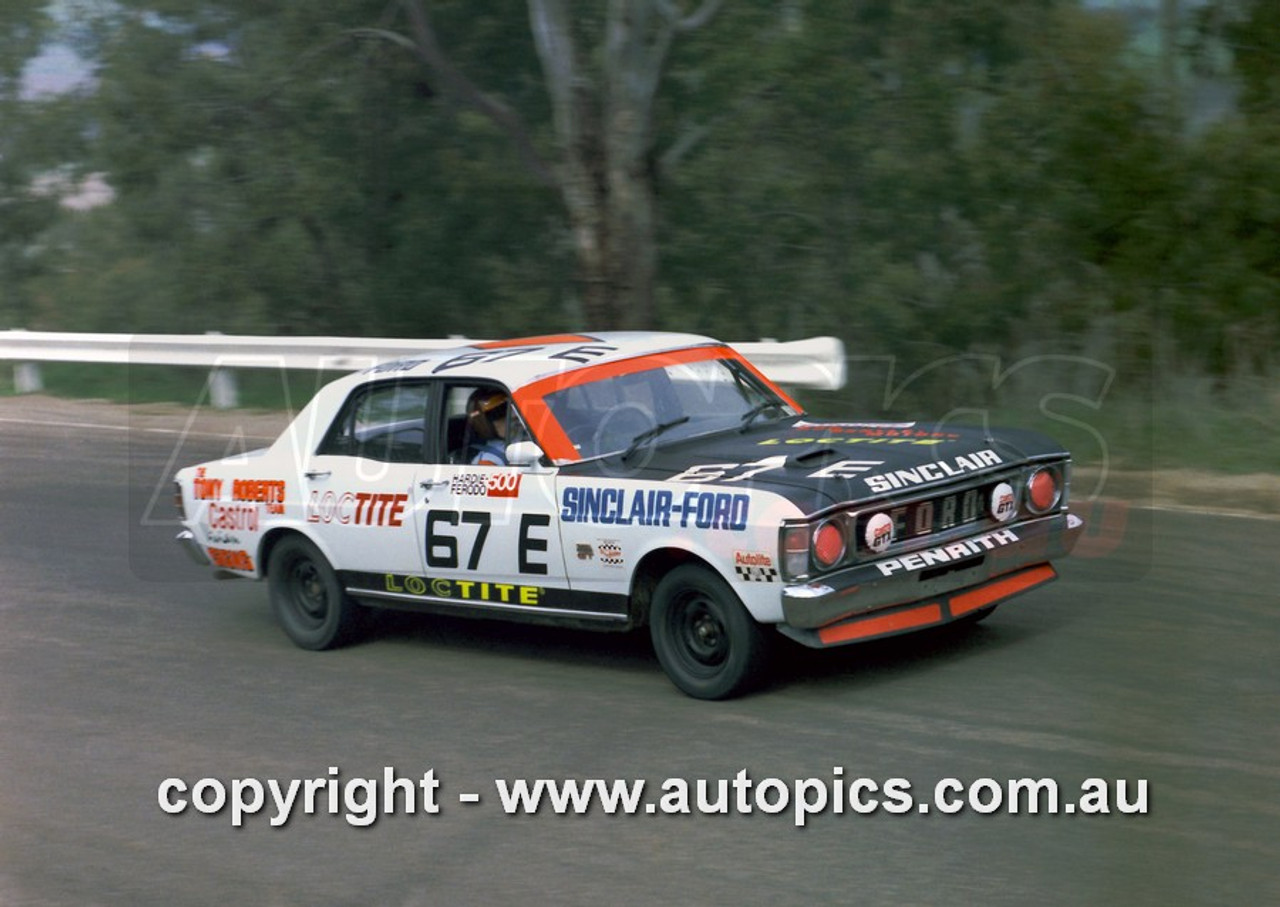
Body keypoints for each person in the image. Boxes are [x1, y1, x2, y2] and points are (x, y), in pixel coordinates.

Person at [466, 390, 510, 466]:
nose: (514, 415)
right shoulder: (488, 462)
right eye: (500, 411)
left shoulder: (515, 443)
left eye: (512, 408)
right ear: (485, 423)